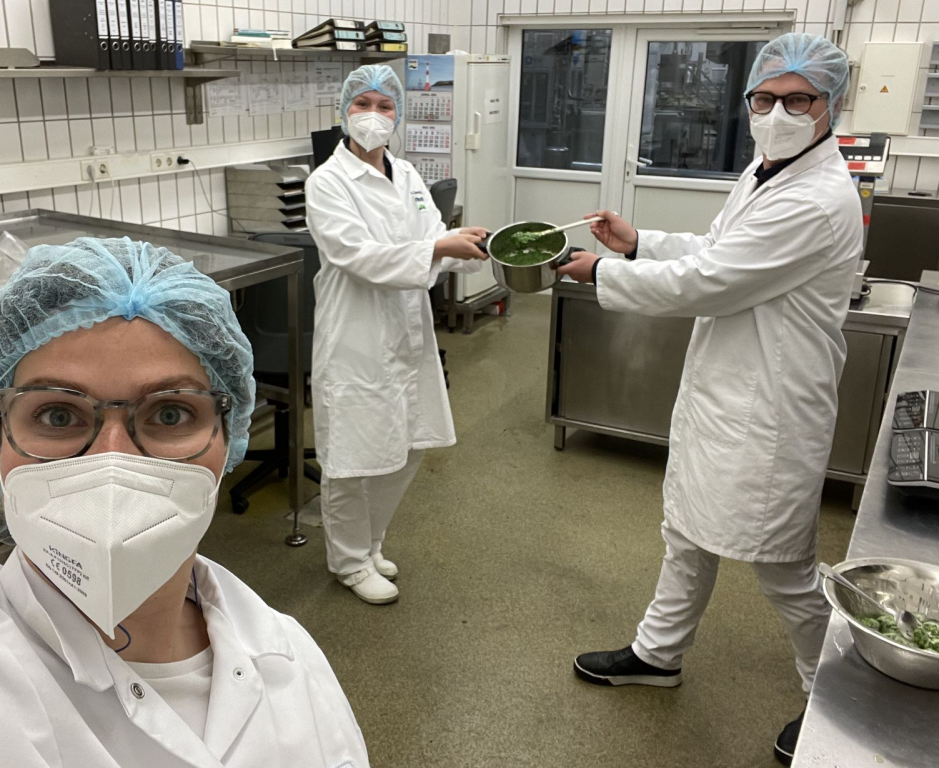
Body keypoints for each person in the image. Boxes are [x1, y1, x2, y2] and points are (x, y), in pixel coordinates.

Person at [0, 238, 370, 768]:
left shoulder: (294, 659)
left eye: (171, 413)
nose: (114, 462)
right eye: (58, 415)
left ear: (230, 440)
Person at [557, 34, 860, 766]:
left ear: (829, 107)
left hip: (771, 408)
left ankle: (840, 703)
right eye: (765, 98)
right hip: (727, 394)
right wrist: (640, 243)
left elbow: (708, 285)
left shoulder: (817, 198)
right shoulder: (767, 172)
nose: (778, 112)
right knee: (687, 534)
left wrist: (602, 273)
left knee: (782, 563)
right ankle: (658, 655)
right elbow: (717, 250)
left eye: (798, 99)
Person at [304, 65, 489, 605]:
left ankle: (371, 541)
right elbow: (356, 256)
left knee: (408, 446)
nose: (374, 116)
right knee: (351, 457)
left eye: (385, 107)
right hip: (355, 334)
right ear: (344, 112)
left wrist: (466, 246)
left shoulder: (407, 176)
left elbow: (432, 236)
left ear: (399, 115)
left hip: (408, 331)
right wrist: (438, 249)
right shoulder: (327, 182)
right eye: (363, 104)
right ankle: (347, 560)